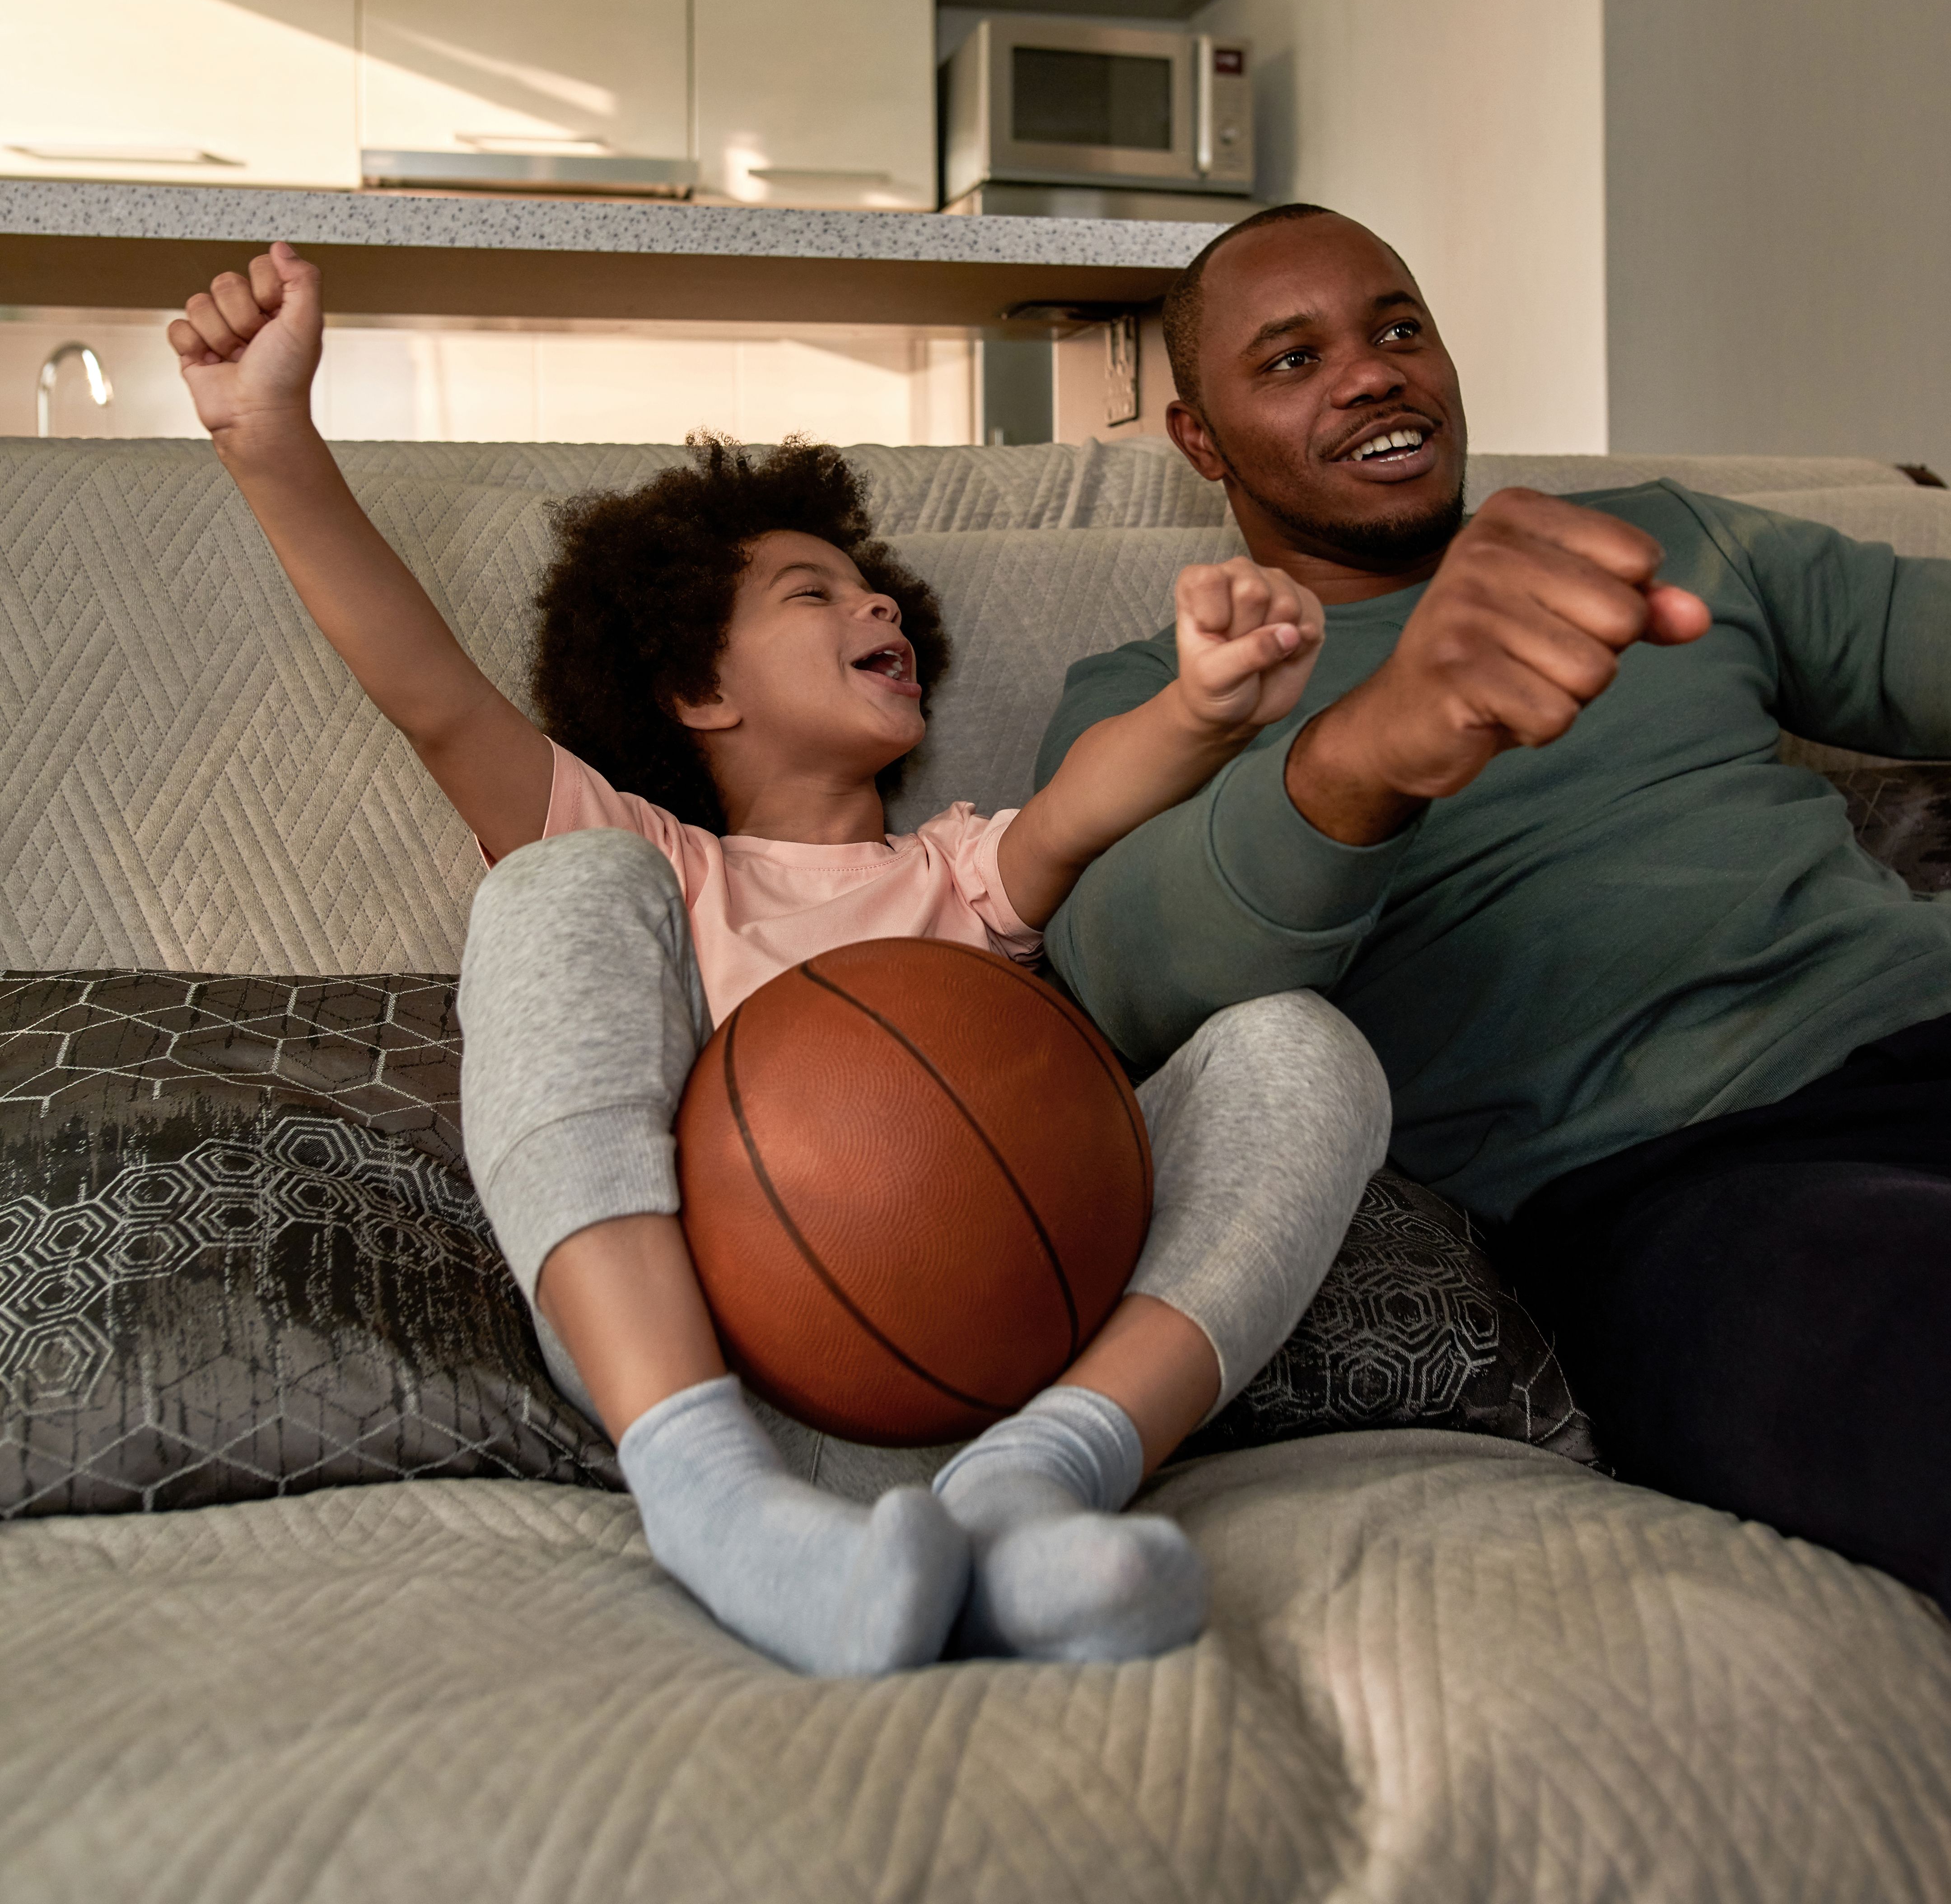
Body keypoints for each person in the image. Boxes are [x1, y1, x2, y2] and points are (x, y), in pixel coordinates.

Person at [166, 242, 1392, 1676]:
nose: (876, 606)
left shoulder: (960, 874)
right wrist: (266, 438)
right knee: (561, 888)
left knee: (1301, 1046)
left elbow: (1092, 799)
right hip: (709, 1374)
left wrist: (1205, 708)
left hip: (1007, 1367)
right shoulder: (664, 867)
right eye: (816, 593)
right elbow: (429, 696)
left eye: (880, 595)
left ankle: (1038, 1489)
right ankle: (713, 1505)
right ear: (696, 688)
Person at [1036, 201, 1951, 1614]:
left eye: (1398, 327)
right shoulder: (1157, 701)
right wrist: (1367, 754)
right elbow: (1129, 984)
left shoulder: (1663, 541)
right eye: (1290, 360)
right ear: (1199, 442)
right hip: (1682, 1198)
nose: (1370, 371)